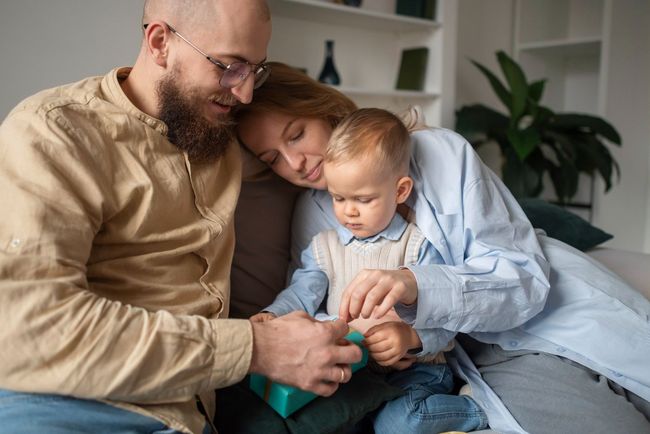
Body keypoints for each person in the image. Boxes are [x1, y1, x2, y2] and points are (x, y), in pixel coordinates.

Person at [0, 4, 361, 434]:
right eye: (229, 67)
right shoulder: (55, 133)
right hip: (66, 405)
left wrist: (416, 151)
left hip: (190, 416)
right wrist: (255, 348)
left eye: (255, 71)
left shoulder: (225, 130)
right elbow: (29, 329)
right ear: (160, 43)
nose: (244, 93)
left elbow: (330, 143)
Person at [234, 62, 650, 434]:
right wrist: (275, 325)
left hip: (549, 308)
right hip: (474, 355)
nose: (296, 163)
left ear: (322, 109)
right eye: (273, 158)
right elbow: (317, 297)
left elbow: (521, 277)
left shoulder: (440, 153)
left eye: (297, 135)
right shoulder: (312, 215)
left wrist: (416, 284)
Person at [250, 107, 488, 433]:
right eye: (338, 197)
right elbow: (301, 293)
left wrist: (411, 338)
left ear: (400, 191)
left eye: (363, 199)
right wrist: (273, 317)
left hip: (417, 370)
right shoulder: (323, 247)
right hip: (357, 371)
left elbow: (446, 314)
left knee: (400, 425)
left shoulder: (418, 245)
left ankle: (474, 409)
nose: (348, 211)